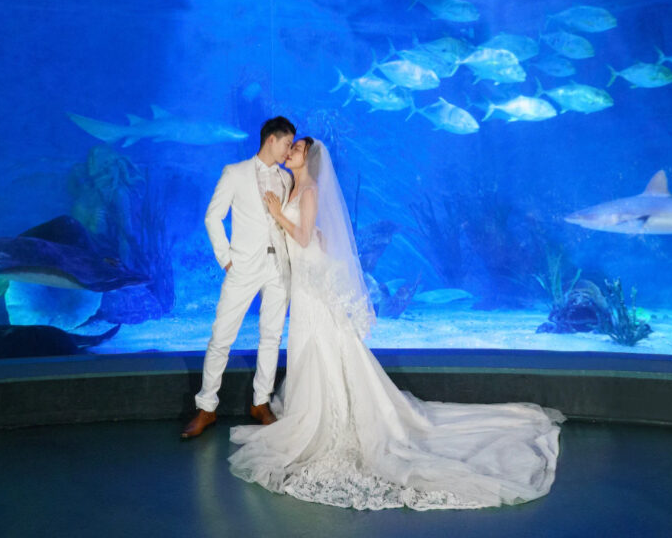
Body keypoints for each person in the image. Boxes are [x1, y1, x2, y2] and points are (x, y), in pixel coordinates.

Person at [229, 137, 564, 510]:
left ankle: (329, 418)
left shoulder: (307, 189)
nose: (289, 152)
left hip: (312, 282)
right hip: (310, 278)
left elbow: (304, 235)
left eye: (296, 149)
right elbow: (317, 234)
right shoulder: (297, 186)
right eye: (289, 148)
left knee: (323, 344)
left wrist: (277, 215)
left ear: (307, 157)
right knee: (319, 345)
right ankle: (318, 407)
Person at [182, 116, 296, 439]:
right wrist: (227, 260)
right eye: (287, 143)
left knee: (271, 336)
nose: (289, 150)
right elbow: (212, 217)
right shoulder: (235, 173)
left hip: (278, 269)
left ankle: (261, 402)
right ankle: (206, 407)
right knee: (221, 336)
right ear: (271, 139)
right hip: (243, 266)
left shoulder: (287, 180)